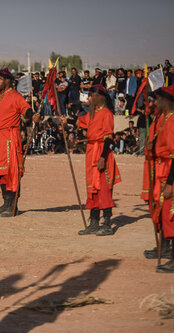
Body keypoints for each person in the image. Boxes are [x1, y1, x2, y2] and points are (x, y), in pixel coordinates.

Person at [141, 85, 174, 273]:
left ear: (166, 101)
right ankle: (167, 250)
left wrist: (169, 183)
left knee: (173, 215)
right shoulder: (162, 119)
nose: (155, 102)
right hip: (161, 169)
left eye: (158, 99)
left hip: (171, 173)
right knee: (162, 213)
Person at [0, 68, 36, 217]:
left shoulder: (15, 96)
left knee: (11, 173)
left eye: (0, 79)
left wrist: (33, 116)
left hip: (9, 138)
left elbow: (25, 109)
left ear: (8, 81)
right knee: (0, 173)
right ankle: (6, 202)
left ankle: (13, 205)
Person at [72, 84, 121, 236]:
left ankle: (106, 223)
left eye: (91, 95)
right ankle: (94, 222)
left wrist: (102, 157)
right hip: (91, 152)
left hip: (101, 154)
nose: (89, 98)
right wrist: (64, 120)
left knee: (104, 189)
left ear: (100, 97)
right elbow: (79, 121)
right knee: (92, 189)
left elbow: (108, 138)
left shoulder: (106, 113)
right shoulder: (92, 114)